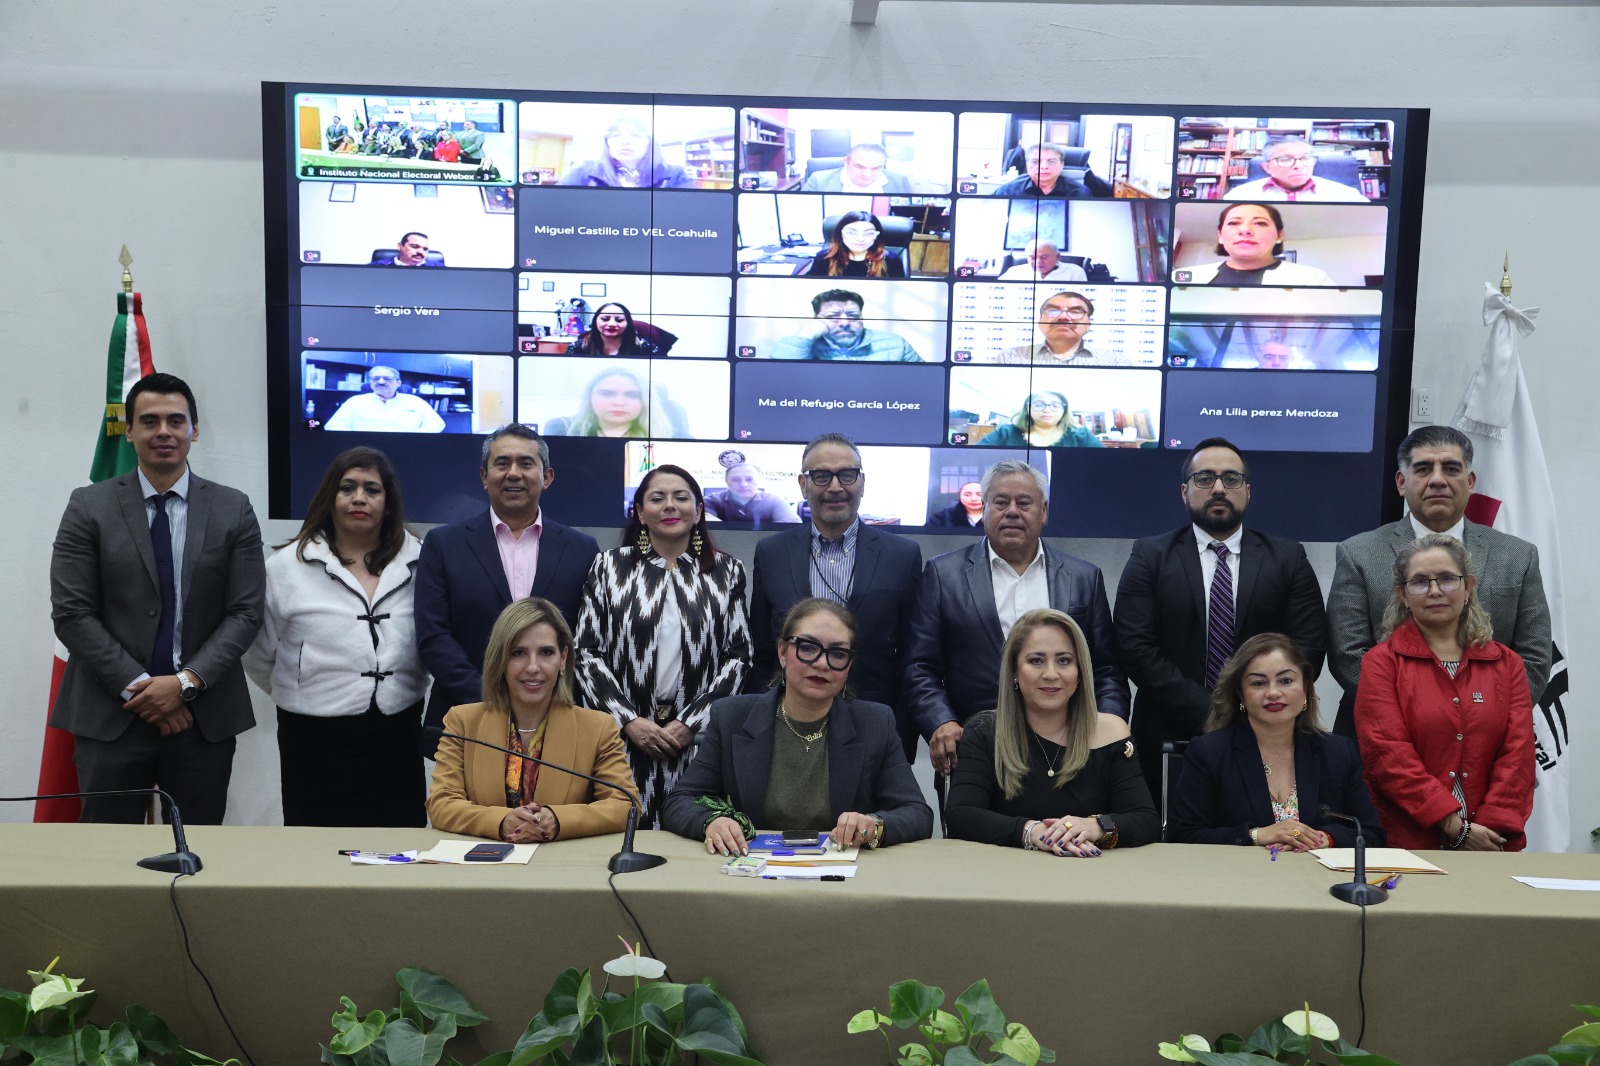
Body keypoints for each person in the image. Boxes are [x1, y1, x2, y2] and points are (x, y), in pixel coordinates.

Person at [49, 373, 265, 824]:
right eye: (149, 421)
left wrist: (184, 684)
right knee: (106, 864)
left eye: (175, 420)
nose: (163, 431)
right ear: (128, 431)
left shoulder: (233, 508)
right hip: (111, 715)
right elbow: (72, 613)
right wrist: (145, 690)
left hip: (202, 719)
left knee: (195, 861)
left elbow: (245, 612)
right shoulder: (89, 506)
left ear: (194, 430)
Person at [904, 460, 1128, 805]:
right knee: (977, 850)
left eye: (1024, 503)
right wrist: (940, 722)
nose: (1012, 512)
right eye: (1000, 502)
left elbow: (1107, 668)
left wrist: (1107, 729)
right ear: (983, 508)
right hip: (977, 747)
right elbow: (919, 667)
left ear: (1044, 512)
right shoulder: (942, 574)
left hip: (1069, 751)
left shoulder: (1084, 577)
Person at [1114, 438, 1328, 801]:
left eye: (1230, 479)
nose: (1217, 488)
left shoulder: (1288, 558)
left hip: (1268, 734)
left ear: (1247, 490)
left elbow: (1307, 648)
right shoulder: (1150, 555)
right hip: (1170, 733)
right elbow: (1135, 647)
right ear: (1185, 491)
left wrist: (1254, 705)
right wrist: (1214, 711)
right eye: (1204, 478)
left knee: (1264, 844)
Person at [242, 447, 429, 826]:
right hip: (311, 736)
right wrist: (302, 686)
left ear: (388, 503)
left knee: (398, 848)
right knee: (317, 854)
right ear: (331, 499)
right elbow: (258, 653)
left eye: (372, 490)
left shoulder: (422, 562)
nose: (359, 498)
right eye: (347, 488)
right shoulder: (286, 566)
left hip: (397, 732)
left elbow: (431, 641)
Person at [1327, 425, 1550, 737]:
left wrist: (1481, 720)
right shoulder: (1358, 554)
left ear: (1470, 482)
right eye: (1423, 468)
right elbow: (1348, 655)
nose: (1437, 479)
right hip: (1384, 737)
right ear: (1402, 482)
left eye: (1451, 468)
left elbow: (1535, 656)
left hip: (1489, 739)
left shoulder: (1518, 556)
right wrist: (1425, 717)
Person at [660, 599, 933, 852]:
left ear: (849, 665)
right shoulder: (732, 716)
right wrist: (711, 821)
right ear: (782, 652)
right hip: (751, 872)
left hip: (842, 875)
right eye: (808, 648)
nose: (822, 663)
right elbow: (680, 802)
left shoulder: (875, 722)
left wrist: (874, 825)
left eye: (837, 653)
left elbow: (917, 813)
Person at [576, 465, 751, 827]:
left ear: (699, 510)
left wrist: (690, 723)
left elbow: (740, 657)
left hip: (698, 743)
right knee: (620, 836)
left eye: (681, 498)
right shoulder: (609, 567)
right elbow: (586, 652)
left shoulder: (726, 571)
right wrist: (629, 721)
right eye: (657, 499)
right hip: (622, 741)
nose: (669, 506)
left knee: (694, 837)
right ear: (640, 512)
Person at [415, 425, 601, 755]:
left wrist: (539, 702)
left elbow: (586, 639)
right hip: (467, 720)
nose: (513, 473)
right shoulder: (444, 544)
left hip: (556, 724)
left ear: (547, 477)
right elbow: (434, 636)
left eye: (526, 463)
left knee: (551, 810)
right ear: (485, 476)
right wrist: (492, 701)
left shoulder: (582, 549)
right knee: (469, 809)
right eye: (502, 463)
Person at [744, 433, 924, 760]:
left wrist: (902, 738)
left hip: (873, 728)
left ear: (862, 482)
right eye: (821, 476)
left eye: (847, 475)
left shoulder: (902, 555)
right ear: (802, 484)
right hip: (787, 725)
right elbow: (762, 653)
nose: (836, 487)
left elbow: (912, 658)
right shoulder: (771, 553)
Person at [1355, 534, 1534, 851]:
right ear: (1403, 595)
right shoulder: (1381, 663)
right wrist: (1455, 827)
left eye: (1448, 579)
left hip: (1491, 844)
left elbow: (1517, 758)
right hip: (1408, 842)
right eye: (1420, 582)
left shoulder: (1507, 665)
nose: (1435, 590)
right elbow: (1387, 756)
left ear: (1469, 587)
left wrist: (1487, 833)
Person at [946, 609, 1156, 854]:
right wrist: (1031, 831)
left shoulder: (1111, 731)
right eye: (1036, 660)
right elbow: (960, 815)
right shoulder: (983, 731)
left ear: (1080, 673)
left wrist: (1097, 826)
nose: (1051, 674)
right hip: (1005, 878)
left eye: (1064, 660)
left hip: (1092, 878)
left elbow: (1146, 820)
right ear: (1014, 671)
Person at [429, 598, 638, 842]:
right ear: (500, 660)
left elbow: (626, 805)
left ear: (562, 659)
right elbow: (441, 805)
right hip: (483, 869)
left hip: (561, 869)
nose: (532, 667)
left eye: (546, 653)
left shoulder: (598, 727)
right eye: (518, 653)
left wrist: (558, 820)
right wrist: (501, 822)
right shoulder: (462, 722)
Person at [1167, 633, 1383, 848]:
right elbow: (1183, 835)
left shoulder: (1338, 751)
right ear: (1240, 694)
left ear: (1306, 687)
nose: (1273, 692)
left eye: (1286, 680)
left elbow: (1371, 834)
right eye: (1258, 683)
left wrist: (1326, 838)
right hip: (1238, 878)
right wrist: (1255, 835)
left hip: (1314, 877)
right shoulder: (1209, 752)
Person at [1174, 203, 1336, 287]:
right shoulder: (1184, 276)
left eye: (1260, 223)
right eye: (1233, 223)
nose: (1245, 230)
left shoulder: (1314, 278)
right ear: (1220, 237)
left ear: (1279, 236)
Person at [766, 289, 924, 363]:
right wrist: (804, 336)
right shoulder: (800, 346)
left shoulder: (896, 344)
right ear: (817, 320)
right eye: (833, 316)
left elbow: (925, 383)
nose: (844, 323)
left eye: (853, 316)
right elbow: (775, 383)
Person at [994, 291, 1143, 367]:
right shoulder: (1009, 357)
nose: (1063, 317)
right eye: (1053, 311)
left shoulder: (1116, 362)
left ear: (1089, 323)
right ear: (1040, 320)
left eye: (1075, 311)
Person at [558, 116, 695, 188]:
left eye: (635, 135)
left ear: (650, 143)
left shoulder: (676, 176)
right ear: (607, 143)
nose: (625, 141)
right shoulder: (584, 172)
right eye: (616, 135)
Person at [1226, 138, 1370, 203]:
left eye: (1306, 158)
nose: (1298, 165)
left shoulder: (1345, 194)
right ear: (1267, 167)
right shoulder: (1239, 196)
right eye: (1285, 159)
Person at [323, 366, 446, 433]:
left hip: (406, 448)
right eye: (375, 378)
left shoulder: (415, 401)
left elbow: (437, 423)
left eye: (387, 378)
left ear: (398, 383)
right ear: (370, 383)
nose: (381, 382)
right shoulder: (355, 401)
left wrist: (415, 439)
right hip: (363, 453)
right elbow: (334, 426)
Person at [543, 367, 654, 438]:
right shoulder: (560, 428)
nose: (619, 403)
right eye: (606, 394)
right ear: (590, 397)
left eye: (632, 395)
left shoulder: (663, 433)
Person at [702, 453, 800, 526]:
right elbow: (702, 522)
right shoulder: (713, 500)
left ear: (759, 480)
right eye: (735, 480)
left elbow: (792, 525)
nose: (743, 484)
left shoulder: (774, 500)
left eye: (749, 479)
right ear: (726, 481)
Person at [977, 391, 1103, 447]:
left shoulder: (1081, 435)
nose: (1047, 410)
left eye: (1055, 405)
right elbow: (975, 455)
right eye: (1038, 404)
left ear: (1064, 410)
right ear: (1028, 409)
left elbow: (1105, 461)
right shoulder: (1005, 432)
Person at [805, 212, 907, 278]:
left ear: (876, 236)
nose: (860, 239)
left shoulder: (891, 260)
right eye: (851, 232)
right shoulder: (824, 258)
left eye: (869, 233)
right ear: (840, 234)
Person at [798, 143, 912, 194]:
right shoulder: (818, 180)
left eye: (876, 168)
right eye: (859, 166)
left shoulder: (900, 181)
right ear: (846, 162)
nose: (867, 174)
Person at [991, 143, 1089, 199]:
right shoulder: (1008, 190)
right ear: (1027, 165)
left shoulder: (1079, 192)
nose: (1044, 166)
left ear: (1061, 165)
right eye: (1035, 161)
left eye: (1051, 161)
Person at [564, 303, 663, 357]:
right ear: (595, 322)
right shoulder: (579, 347)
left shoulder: (645, 348)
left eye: (619, 320)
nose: (611, 324)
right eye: (605, 319)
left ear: (627, 323)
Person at [997, 240, 1087, 282]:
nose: (1038, 262)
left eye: (1044, 257)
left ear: (1057, 257)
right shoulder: (1014, 272)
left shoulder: (1075, 271)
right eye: (1032, 258)